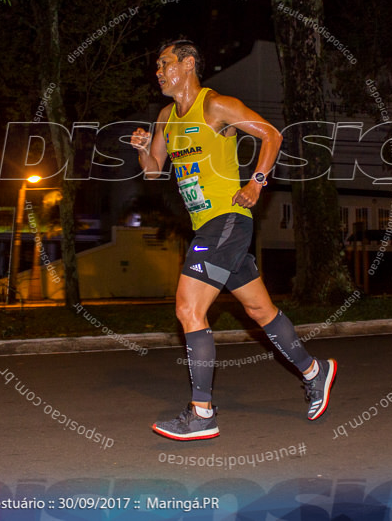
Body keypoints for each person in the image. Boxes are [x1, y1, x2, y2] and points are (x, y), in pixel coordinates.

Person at [131, 38, 337, 440]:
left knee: (188, 309)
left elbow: (271, 136)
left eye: (164, 62)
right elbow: (154, 172)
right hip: (210, 226)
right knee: (261, 311)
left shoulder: (215, 105)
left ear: (188, 64)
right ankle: (316, 371)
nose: (158, 71)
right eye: (156, 65)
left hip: (227, 220)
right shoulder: (164, 118)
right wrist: (142, 150)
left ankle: (202, 413)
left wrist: (257, 184)